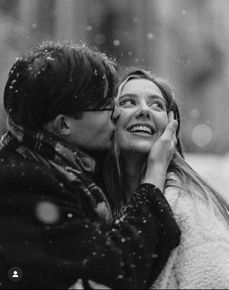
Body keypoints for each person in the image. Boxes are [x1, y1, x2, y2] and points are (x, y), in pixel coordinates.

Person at [0, 42, 181, 289]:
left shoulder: (61, 168)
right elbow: (116, 273)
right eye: (108, 105)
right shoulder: (23, 184)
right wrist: (154, 176)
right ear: (64, 126)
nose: (117, 113)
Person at [104, 68, 229, 289]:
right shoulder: (92, 202)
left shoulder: (193, 209)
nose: (144, 110)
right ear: (107, 120)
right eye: (128, 102)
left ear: (171, 126)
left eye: (157, 105)